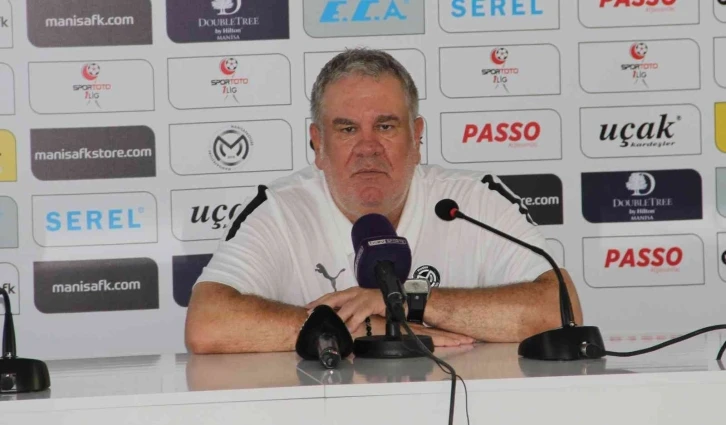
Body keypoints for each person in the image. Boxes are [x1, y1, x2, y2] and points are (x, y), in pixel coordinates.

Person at [185, 49, 583, 354]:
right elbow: (208, 323)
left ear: (417, 136)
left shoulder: (472, 201)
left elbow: (560, 312)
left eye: (386, 126)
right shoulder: (280, 210)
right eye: (347, 130)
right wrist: (364, 325)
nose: (368, 148)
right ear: (317, 144)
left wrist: (407, 304)